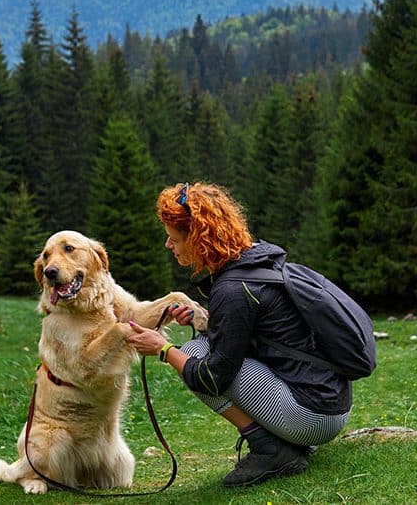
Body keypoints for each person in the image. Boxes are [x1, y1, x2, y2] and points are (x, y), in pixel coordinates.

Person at [125, 181, 352, 488]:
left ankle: (271, 449)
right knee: (202, 343)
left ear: (196, 236)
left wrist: (163, 349)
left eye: (172, 237)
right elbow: (256, 332)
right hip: (331, 401)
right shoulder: (257, 257)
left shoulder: (233, 289)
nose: (168, 245)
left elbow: (213, 377)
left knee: (192, 356)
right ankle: (283, 441)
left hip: (314, 417)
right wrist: (203, 321)